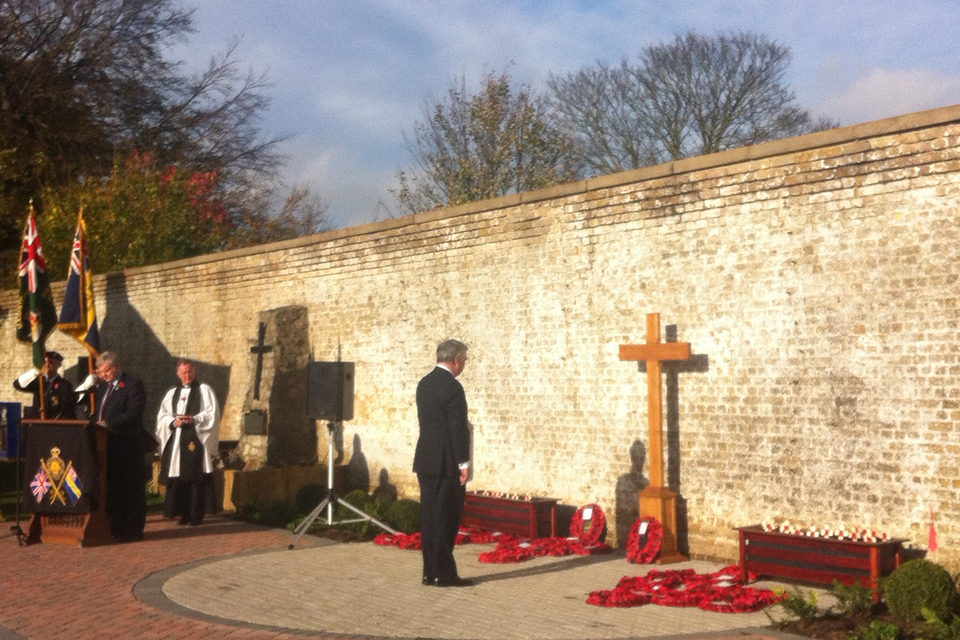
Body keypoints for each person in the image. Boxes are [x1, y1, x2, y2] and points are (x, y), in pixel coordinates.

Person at [413, 339, 472, 587]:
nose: (464, 365)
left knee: (429, 518)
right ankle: (444, 574)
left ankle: (429, 572)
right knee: (446, 519)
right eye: (465, 360)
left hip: (425, 458)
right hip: (446, 462)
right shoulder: (453, 387)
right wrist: (464, 463)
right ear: (456, 360)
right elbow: (457, 429)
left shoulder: (423, 384)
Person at [156, 359, 220, 526]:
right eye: (184, 373)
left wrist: (195, 419)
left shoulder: (203, 390)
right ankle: (183, 514)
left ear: (194, 372)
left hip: (195, 438)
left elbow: (211, 413)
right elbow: (162, 417)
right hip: (177, 440)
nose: (187, 375)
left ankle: (196, 514)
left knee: (194, 477)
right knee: (179, 476)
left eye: (190, 372)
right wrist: (173, 422)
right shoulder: (172, 393)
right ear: (178, 374)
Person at [91, 351, 147, 543]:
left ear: (115, 367)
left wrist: (108, 424)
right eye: (100, 372)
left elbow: (133, 413)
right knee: (114, 489)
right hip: (108, 446)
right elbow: (98, 413)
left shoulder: (133, 384)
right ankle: (116, 528)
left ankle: (134, 529)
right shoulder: (102, 389)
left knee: (130, 488)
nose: (103, 375)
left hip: (128, 445)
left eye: (105, 371)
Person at [12, 351, 76, 419]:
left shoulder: (64, 385)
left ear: (59, 365)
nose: (47, 365)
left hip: (54, 425)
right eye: (45, 362)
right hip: (37, 424)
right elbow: (18, 384)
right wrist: (35, 371)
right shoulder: (38, 382)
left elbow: (67, 410)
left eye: (51, 362)